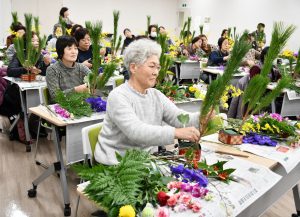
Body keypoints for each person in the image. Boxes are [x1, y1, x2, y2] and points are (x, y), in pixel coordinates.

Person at [94, 39, 200, 165]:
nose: (156, 72)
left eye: (158, 67)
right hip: (116, 165)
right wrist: (175, 133)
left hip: (142, 162)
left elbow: (179, 118)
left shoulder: (155, 95)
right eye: (152, 66)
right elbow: (136, 131)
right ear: (133, 67)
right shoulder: (118, 96)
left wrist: (203, 117)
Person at [46, 36, 90, 102]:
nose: (74, 52)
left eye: (75, 48)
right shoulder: (52, 70)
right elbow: (55, 97)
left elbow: (94, 80)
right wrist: (75, 90)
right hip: (60, 108)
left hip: (81, 105)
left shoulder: (81, 67)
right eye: (69, 49)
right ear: (61, 51)